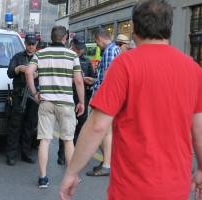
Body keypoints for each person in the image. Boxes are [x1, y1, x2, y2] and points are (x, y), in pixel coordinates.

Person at [59, 0, 202, 199]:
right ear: (169, 27)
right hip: (176, 188)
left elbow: (97, 126)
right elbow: (198, 128)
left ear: (134, 28)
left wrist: (72, 172)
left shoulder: (124, 65)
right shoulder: (193, 69)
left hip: (132, 188)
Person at [25, 26, 85, 188]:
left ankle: (43, 178)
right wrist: (82, 102)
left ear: (52, 37)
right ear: (65, 38)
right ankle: (72, 177)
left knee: (44, 140)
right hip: (66, 103)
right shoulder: (72, 55)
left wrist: (34, 93)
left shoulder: (40, 53)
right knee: (68, 140)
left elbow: (28, 72)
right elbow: (79, 81)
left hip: (46, 102)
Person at [86, 28, 121, 176]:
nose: (97, 45)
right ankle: (108, 161)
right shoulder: (115, 50)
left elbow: (107, 79)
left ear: (100, 39)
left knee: (100, 131)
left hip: (104, 98)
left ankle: (107, 164)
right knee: (106, 132)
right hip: (110, 97)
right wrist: (94, 81)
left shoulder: (108, 51)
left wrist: (96, 97)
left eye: (96, 41)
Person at [57, 35, 95, 165]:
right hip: (67, 98)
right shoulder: (64, 58)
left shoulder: (86, 61)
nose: (80, 51)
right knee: (66, 127)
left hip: (82, 99)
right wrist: (77, 80)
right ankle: (61, 155)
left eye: (81, 49)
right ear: (72, 45)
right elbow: (59, 78)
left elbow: (93, 78)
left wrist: (91, 81)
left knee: (80, 127)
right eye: (77, 48)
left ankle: (74, 153)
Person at [5, 33, 39, 166]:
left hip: (33, 95)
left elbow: (46, 75)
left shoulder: (39, 58)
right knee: (15, 126)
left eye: (33, 44)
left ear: (36, 44)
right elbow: (9, 73)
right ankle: (11, 155)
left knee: (30, 126)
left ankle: (26, 153)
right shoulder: (18, 57)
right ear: (25, 44)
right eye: (29, 44)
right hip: (19, 96)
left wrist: (36, 74)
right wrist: (18, 69)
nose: (31, 47)